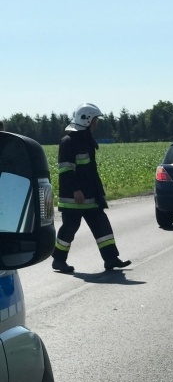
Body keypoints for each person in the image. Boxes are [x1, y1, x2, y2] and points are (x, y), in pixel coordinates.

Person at [51, 103, 131, 273]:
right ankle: (58, 260)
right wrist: (76, 190)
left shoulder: (86, 140)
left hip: (90, 195)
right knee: (70, 228)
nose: (97, 124)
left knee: (102, 225)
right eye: (95, 120)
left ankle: (111, 259)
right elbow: (65, 170)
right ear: (86, 120)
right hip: (75, 197)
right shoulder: (68, 142)